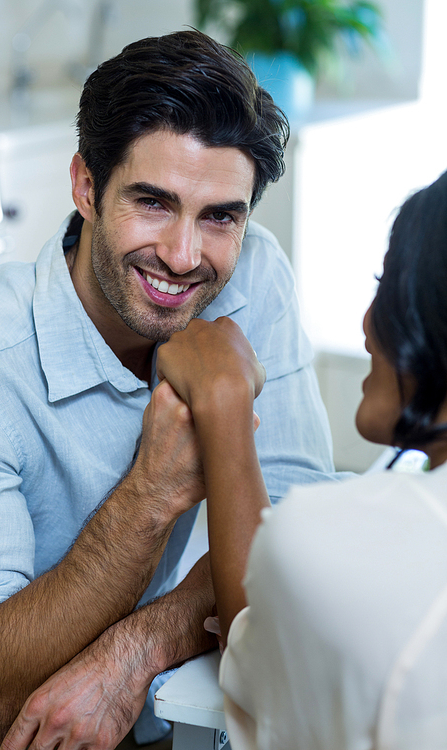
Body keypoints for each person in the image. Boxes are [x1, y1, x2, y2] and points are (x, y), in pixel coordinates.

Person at [0, 29, 343, 749]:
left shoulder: (255, 277)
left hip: (192, 711)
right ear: (86, 186)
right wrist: (154, 492)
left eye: (221, 215)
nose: (184, 257)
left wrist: (134, 652)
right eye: (153, 203)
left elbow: (299, 551)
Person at [155, 168, 447, 749]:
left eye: (385, 289)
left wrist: (225, 403)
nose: (367, 327)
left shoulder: (328, 537)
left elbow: (253, 649)